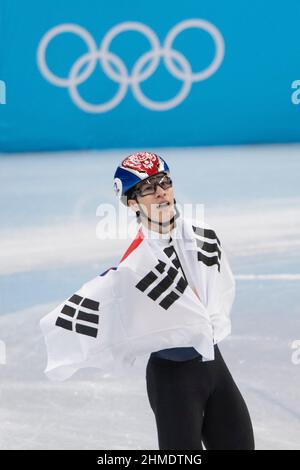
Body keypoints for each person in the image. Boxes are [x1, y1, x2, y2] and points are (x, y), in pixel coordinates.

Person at [40, 151, 255, 450]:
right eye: (148, 189)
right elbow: (105, 304)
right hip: (173, 383)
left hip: (215, 368)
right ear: (132, 203)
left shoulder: (205, 236)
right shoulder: (135, 267)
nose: (161, 192)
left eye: (163, 182)